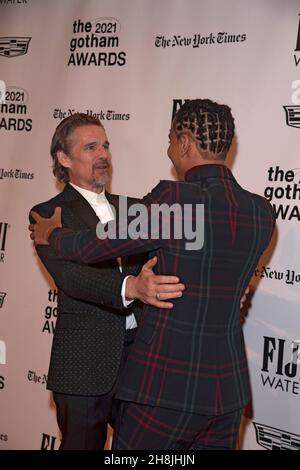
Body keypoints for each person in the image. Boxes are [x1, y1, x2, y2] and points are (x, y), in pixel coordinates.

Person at [30, 99, 275, 450]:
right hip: (227, 391)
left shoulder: (173, 202)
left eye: (172, 140)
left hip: (166, 388)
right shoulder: (260, 211)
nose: (169, 149)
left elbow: (89, 247)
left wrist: (53, 234)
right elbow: (215, 269)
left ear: (186, 142)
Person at [29, 113, 185, 450]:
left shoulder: (135, 208)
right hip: (83, 364)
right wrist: (131, 288)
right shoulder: (48, 215)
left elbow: (174, 256)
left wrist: (222, 286)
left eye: (106, 146)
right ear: (64, 158)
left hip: (141, 358)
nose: (103, 155)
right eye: (91, 147)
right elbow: (71, 278)